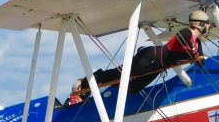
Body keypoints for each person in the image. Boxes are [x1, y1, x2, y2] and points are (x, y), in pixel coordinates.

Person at [66, 10, 210, 102]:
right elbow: (181, 38)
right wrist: (194, 53)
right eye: (208, 24)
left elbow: (200, 63)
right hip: (149, 58)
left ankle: (96, 81)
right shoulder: (187, 33)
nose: (209, 27)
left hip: (158, 66)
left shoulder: (197, 42)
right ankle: (84, 82)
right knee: (119, 75)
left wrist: (197, 55)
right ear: (201, 24)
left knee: (132, 89)